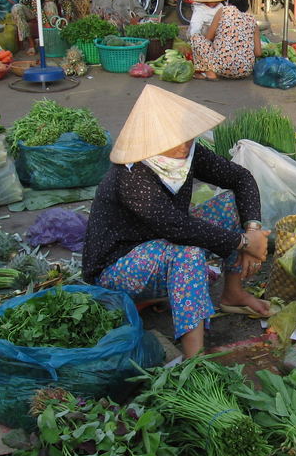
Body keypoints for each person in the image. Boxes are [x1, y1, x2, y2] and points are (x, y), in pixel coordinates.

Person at [82, 85, 273, 359]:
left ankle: (233, 294)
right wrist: (244, 242)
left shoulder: (187, 154)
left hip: (163, 243)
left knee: (230, 206)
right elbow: (176, 227)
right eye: (174, 140)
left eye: (187, 137)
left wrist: (252, 229)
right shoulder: (133, 175)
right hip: (118, 266)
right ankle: (193, 360)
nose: (184, 145)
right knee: (187, 254)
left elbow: (240, 178)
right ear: (151, 140)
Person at [190, 0, 261, 79]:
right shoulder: (252, 19)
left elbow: (209, 37)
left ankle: (210, 73)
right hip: (245, 71)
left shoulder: (224, 10)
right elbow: (258, 53)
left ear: (229, 3)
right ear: (246, 6)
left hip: (222, 67)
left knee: (196, 37)